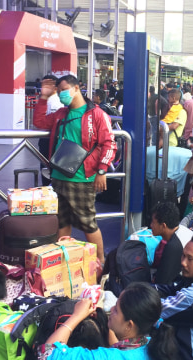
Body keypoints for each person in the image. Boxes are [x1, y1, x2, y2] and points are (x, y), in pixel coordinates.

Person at [34, 75, 117, 262]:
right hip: (58, 175)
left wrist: (102, 171)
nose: (61, 93)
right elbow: (39, 122)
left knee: (88, 223)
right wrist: (44, 98)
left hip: (82, 178)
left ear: (77, 88)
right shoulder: (60, 114)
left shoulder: (96, 114)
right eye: (59, 90)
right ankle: (64, 261)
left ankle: (100, 263)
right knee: (61, 222)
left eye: (64, 89)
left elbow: (109, 144)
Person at [40, 283, 177, 360]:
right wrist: (108, 324)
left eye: (116, 310)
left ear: (129, 325)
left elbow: (47, 354)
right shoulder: (151, 344)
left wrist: (76, 316)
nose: (111, 309)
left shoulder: (107, 357)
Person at [150, 202, 193, 284]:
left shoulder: (173, 246)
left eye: (153, 222)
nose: (151, 225)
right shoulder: (182, 229)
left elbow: (162, 281)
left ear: (163, 226)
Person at [38, 74, 64, 186]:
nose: (43, 87)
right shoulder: (46, 100)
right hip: (47, 140)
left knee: (48, 170)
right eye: (43, 85)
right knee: (46, 169)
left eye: (47, 84)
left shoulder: (56, 101)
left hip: (51, 141)